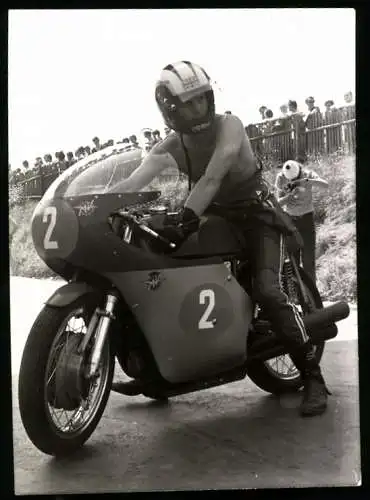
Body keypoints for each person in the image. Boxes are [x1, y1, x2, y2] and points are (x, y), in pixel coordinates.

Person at [110, 60, 330, 416]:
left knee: (268, 290)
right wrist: (96, 205)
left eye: (202, 98)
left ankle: (313, 376)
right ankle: (154, 371)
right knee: (159, 272)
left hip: (256, 216)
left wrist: (186, 217)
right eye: (188, 102)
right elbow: (134, 181)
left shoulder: (230, 126)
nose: (198, 108)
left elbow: (212, 177)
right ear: (170, 108)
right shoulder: (172, 145)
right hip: (214, 217)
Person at [275, 160, 328, 283]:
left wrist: (308, 182)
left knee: (308, 260)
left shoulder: (307, 174)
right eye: (291, 181)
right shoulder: (281, 177)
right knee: (293, 260)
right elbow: (277, 204)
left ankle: (312, 294)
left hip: (307, 220)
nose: (293, 182)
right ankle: (298, 295)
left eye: (296, 179)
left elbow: (326, 185)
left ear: (299, 172)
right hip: (290, 221)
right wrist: (289, 197)